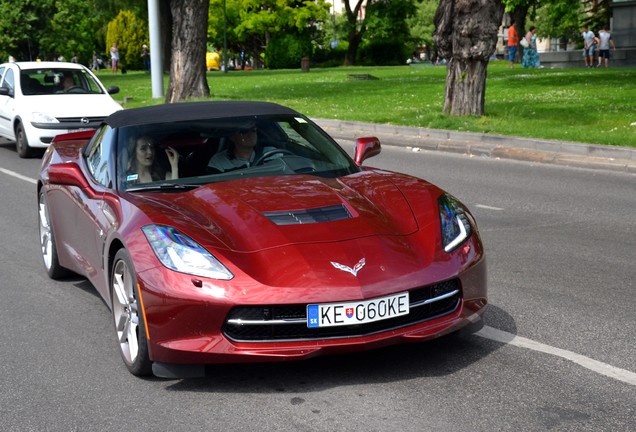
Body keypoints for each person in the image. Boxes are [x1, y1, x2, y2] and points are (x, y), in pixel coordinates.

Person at [208, 124, 276, 172]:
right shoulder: (218, 162)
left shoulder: (272, 154)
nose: (250, 135)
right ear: (232, 137)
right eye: (244, 132)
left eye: (253, 130)